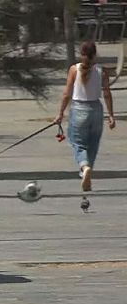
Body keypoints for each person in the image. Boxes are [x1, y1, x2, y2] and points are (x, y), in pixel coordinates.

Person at [55, 41, 117, 192]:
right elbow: (107, 94)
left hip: (78, 109)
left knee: (78, 143)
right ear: (94, 55)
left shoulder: (74, 69)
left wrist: (60, 113)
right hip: (96, 110)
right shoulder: (102, 71)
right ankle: (87, 171)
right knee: (93, 143)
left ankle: (84, 167)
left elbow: (67, 94)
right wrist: (111, 115)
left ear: (81, 55)